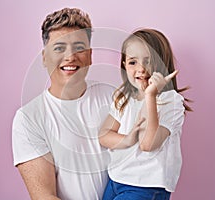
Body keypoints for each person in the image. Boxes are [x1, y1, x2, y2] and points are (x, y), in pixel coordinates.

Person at [12, 8, 114, 200]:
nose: (70, 57)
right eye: (59, 48)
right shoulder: (28, 119)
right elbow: (44, 196)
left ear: (90, 55)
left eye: (79, 47)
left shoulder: (113, 97)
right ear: (44, 57)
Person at [99, 28, 192, 200]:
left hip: (146, 186)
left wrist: (150, 96)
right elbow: (104, 135)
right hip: (116, 179)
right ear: (124, 65)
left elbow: (147, 144)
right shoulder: (124, 97)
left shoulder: (171, 102)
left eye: (148, 61)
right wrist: (127, 139)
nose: (141, 69)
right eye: (133, 62)